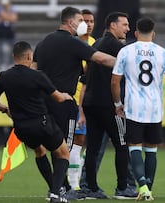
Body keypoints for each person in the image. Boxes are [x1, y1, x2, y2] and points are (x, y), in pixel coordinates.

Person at [32, 6, 116, 201]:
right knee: (65, 148)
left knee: (53, 146)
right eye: (80, 21)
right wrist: (127, 61)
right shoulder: (73, 43)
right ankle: (59, 190)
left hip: (45, 102)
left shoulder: (43, 43)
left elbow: (33, 71)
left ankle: (58, 187)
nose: (83, 25)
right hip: (65, 103)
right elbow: (101, 59)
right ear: (70, 22)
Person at [0, 41, 72, 203]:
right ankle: (56, 193)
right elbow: (58, 98)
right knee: (63, 153)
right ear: (29, 56)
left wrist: (5, 110)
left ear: (13, 57)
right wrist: (67, 96)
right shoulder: (38, 76)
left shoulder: (4, 76)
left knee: (39, 151)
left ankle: (53, 190)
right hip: (41, 123)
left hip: (21, 128)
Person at [111, 17, 165, 201]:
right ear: (154, 33)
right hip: (155, 108)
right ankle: (147, 187)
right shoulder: (163, 53)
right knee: (152, 150)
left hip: (134, 107)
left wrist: (118, 104)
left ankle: (142, 187)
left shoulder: (126, 51)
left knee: (134, 147)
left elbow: (115, 81)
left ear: (135, 33)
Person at [82, 11, 137, 200]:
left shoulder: (97, 43)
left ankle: (90, 188)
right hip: (108, 104)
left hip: (91, 102)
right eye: (125, 25)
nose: (128, 29)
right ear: (113, 25)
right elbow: (136, 62)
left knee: (93, 147)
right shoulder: (116, 46)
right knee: (122, 144)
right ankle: (123, 188)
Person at [67, 8, 96, 192]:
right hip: (75, 99)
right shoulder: (71, 44)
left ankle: (78, 179)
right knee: (76, 141)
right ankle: (73, 183)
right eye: (84, 20)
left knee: (90, 143)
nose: (88, 24)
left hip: (93, 100)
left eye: (91, 21)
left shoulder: (95, 43)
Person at [0, 0, 18, 70]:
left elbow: (14, 19)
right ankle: (2, 63)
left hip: (9, 29)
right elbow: (3, 15)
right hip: (1, 29)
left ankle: (10, 63)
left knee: (12, 46)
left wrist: (7, 15)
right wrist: (8, 16)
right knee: (1, 47)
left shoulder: (12, 8)